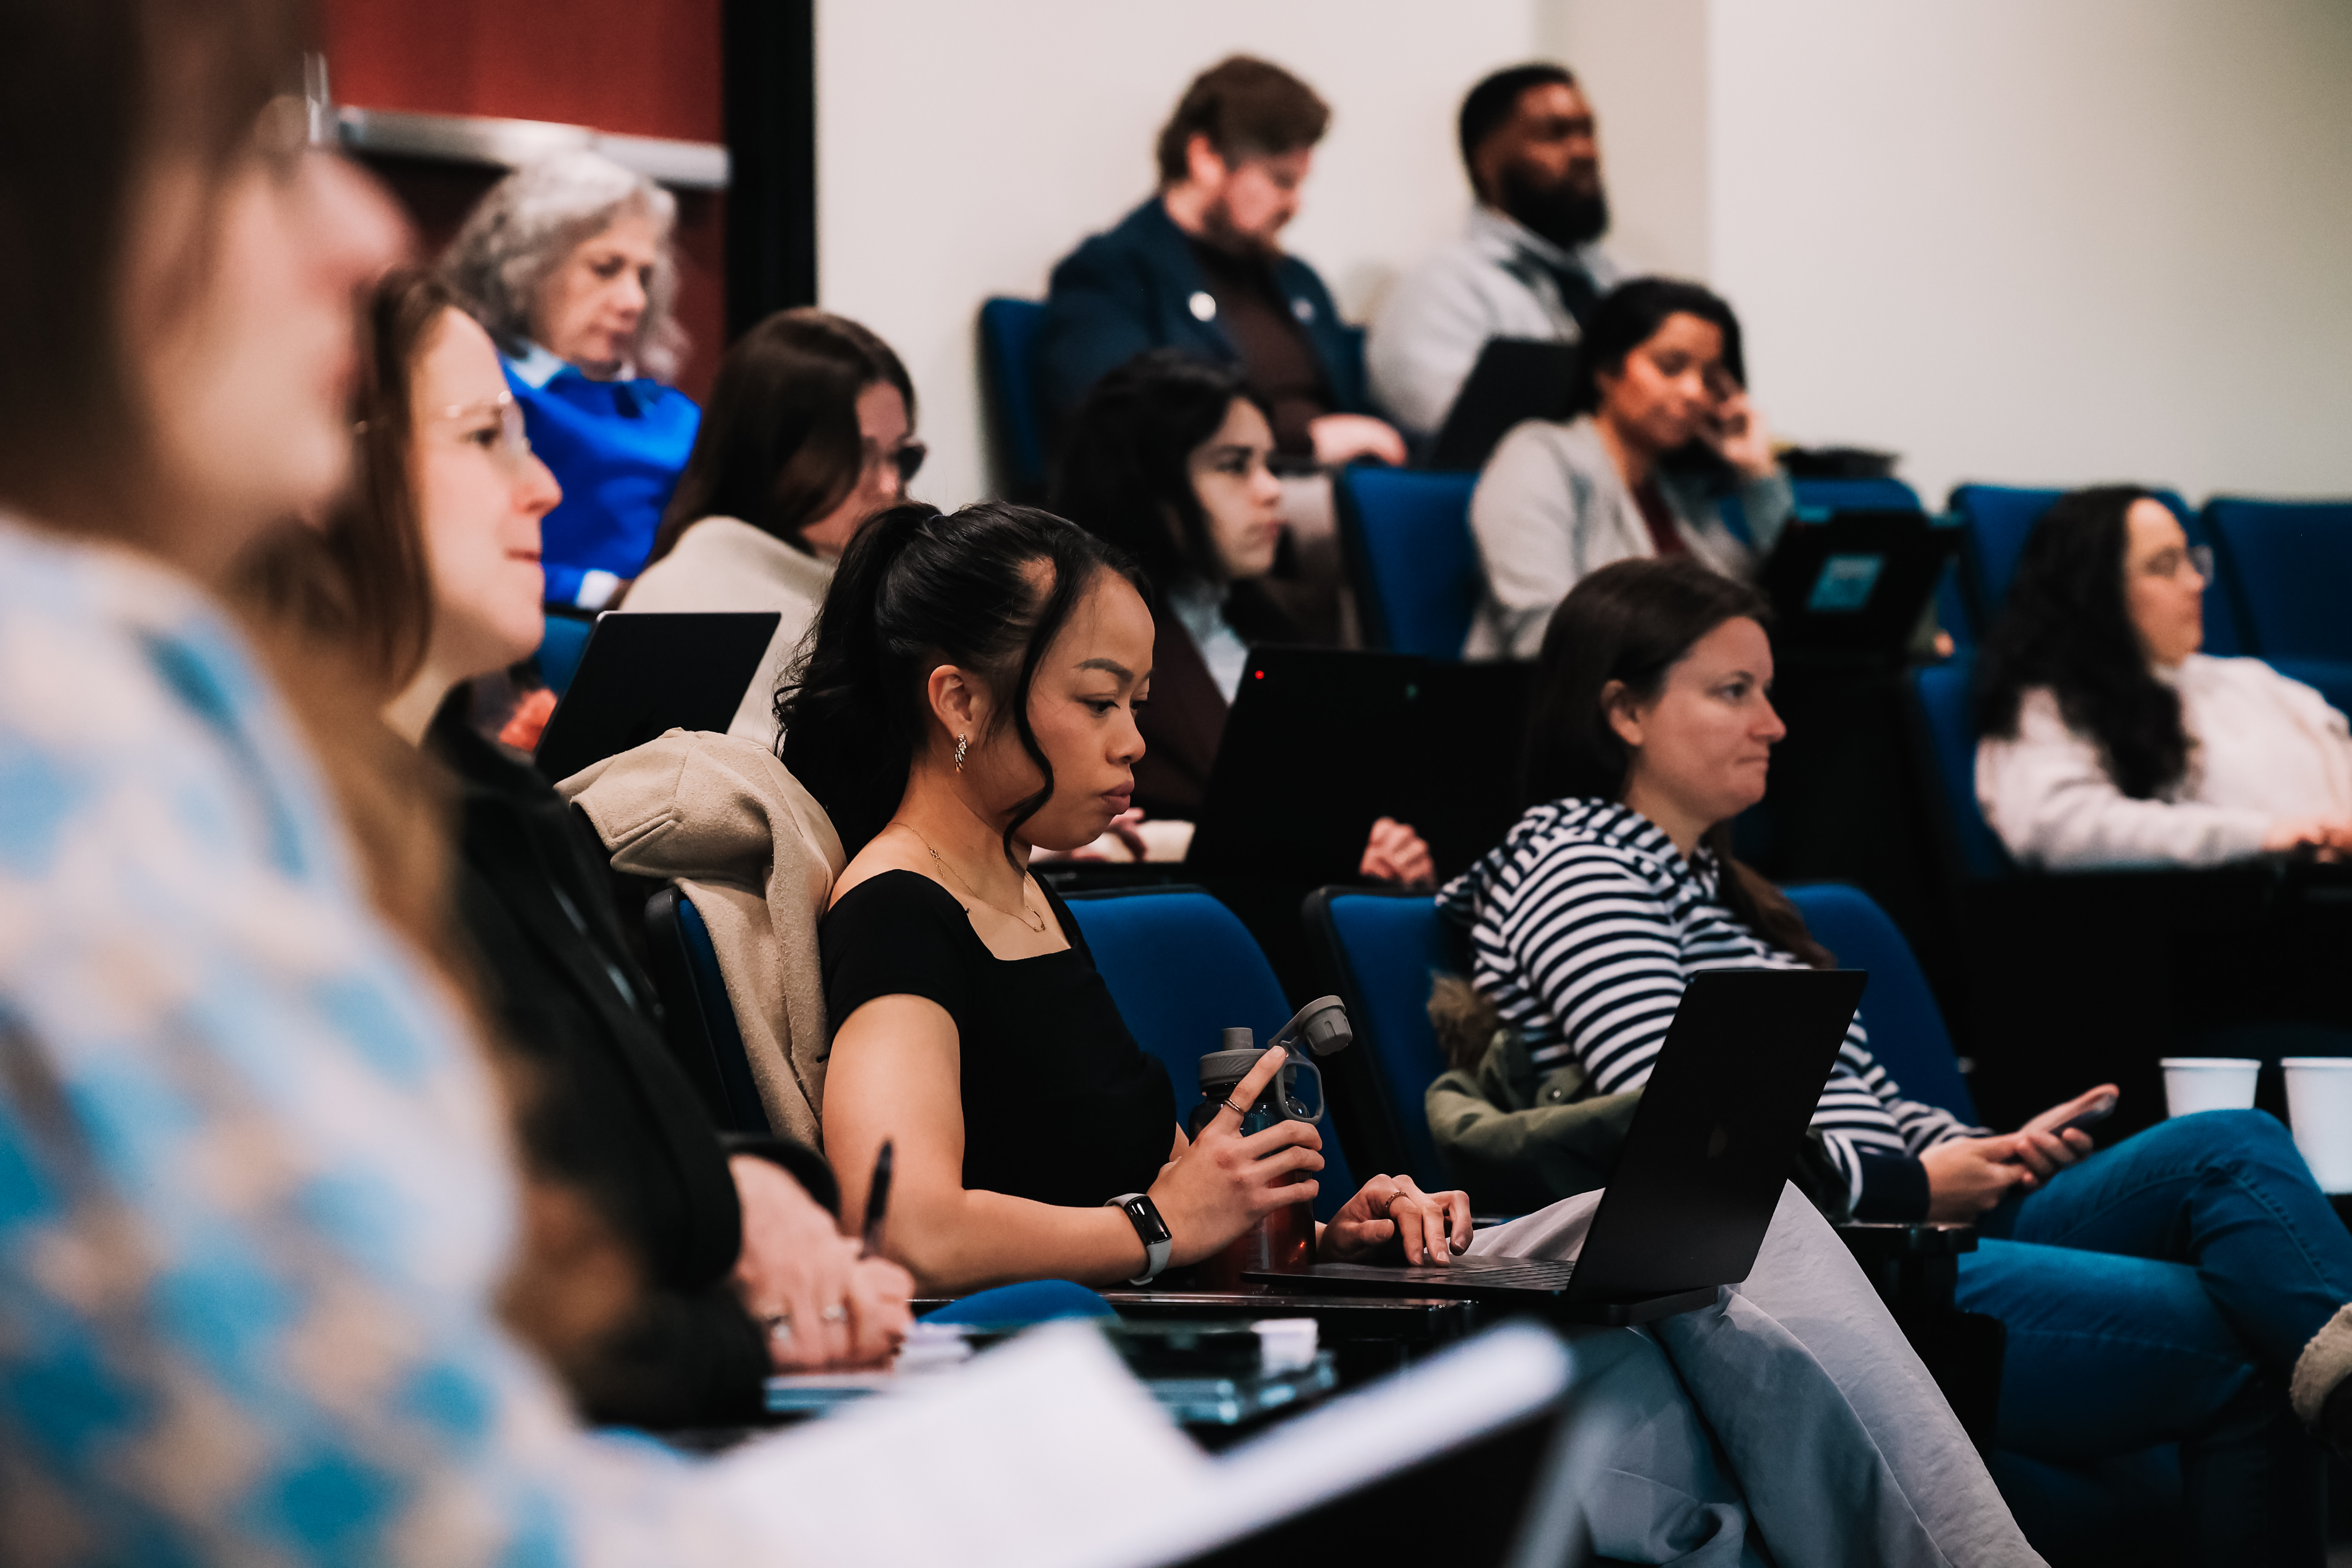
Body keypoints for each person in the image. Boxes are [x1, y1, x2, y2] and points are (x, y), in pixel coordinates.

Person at [786, 501, 2044, 1565]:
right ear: (958, 699)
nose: (1132, 742)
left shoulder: (1032, 897)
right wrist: (1165, 1226)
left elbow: (1177, 1202)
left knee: (1703, 1269)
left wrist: (1325, 1226)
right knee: (1669, 1353)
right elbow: (906, 1220)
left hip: (1225, 1308)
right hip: (1123, 1371)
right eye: (1102, 699)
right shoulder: (899, 909)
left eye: (1139, 701)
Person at [1441, 555, 2352, 1564]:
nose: (1774, 724)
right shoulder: (1575, 864)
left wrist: (1978, 1146)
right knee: (2253, 1335)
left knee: (2229, 1143)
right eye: (1732, 692)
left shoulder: (1729, 890)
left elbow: (1866, 1100)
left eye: (1769, 692)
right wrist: (1914, 1180)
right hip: (1840, 1266)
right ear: (1622, 712)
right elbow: (1689, 1135)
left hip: (1911, 1216)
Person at [237, 266, 915, 1428]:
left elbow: (626, 1146)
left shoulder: (521, 814)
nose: (544, 487)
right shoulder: (270, 849)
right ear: (321, 476)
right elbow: (428, 1344)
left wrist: (760, 1188)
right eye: (487, 438)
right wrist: (745, 1335)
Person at [1049, 349, 1430, 879]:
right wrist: (1324, 849)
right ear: (1149, 489)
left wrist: (1381, 838)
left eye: (1269, 465)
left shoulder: (1282, 620)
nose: (1273, 490)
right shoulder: (1082, 649)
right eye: (1234, 466)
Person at [1976, 486, 2352, 868]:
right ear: (2098, 588)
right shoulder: (2054, 702)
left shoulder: (2256, 683)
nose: (2195, 583)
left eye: (2191, 561)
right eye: (2164, 566)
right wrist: (2265, 837)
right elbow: (2061, 827)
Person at [621, 308, 921, 745]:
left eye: (901, 456)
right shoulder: (680, 599)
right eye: (857, 456)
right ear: (770, 452)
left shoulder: (896, 590)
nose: (890, 484)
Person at [1468, 278, 1790, 660]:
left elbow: (1787, 609)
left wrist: (1758, 473)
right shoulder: (1539, 456)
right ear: (1607, 370)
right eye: (1671, 367)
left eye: (1710, 378)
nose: (1695, 392)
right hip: (1564, 706)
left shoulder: (1683, 492)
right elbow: (1545, 635)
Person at [444, 150, 701, 611]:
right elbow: (447, 559)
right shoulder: (482, 391)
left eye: (644, 276)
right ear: (525, 268)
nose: (634, 301)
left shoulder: (678, 416)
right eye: (606, 268)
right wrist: (605, 593)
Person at [1369, 62, 1622, 442]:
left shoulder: (1618, 280)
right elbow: (1459, 436)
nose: (1584, 151)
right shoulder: (1444, 287)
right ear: (1484, 160)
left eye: (1588, 131)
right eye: (1555, 135)